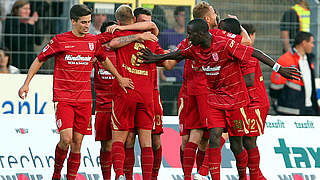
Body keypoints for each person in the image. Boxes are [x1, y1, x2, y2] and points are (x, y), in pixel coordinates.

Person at [139, 18, 300, 179]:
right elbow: (178, 54)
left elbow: (255, 52)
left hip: (235, 102)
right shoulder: (195, 48)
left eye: (190, 34)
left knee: (237, 145)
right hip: (214, 100)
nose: (188, 37)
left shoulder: (224, 44)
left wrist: (280, 69)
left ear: (201, 34)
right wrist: (154, 58)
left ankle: (243, 176)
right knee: (214, 137)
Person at [17, 4, 133, 180]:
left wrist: (119, 77)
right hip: (64, 98)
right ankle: (56, 174)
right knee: (66, 139)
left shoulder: (93, 41)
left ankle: (70, 177)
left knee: (77, 143)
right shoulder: (60, 40)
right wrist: (26, 83)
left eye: (89, 22)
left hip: (85, 100)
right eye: (83, 22)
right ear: (73, 21)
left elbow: (104, 60)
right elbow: (39, 59)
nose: (87, 26)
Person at [98, 5, 166, 180]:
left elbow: (112, 44)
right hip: (146, 95)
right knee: (146, 142)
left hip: (126, 91)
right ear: (134, 20)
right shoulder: (150, 37)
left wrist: (125, 31)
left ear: (118, 21)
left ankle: (120, 174)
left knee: (119, 138)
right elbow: (153, 28)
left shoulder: (119, 34)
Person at [270, 31, 320, 116]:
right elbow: (275, 87)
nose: (313, 45)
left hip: (308, 108)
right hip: (290, 110)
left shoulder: (309, 60)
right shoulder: (285, 59)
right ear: (304, 43)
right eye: (311, 43)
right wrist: (279, 105)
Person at [93, 21, 118, 180]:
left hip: (121, 105)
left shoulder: (123, 51)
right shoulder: (96, 52)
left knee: (121, 144)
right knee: (106, 145)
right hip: (103, 105)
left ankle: (121, 175)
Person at [4, 0, 42, 72]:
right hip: (16, 59)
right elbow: (16, 43)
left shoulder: (30, 21)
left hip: (30, 59)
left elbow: (38, 41)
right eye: (25, 9)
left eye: (29, 9)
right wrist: (28, 25)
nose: (28, 11)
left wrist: (36, 24)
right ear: (16, 10)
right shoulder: (10, 20)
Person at [158, 6, 186, 83]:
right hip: (169, 77)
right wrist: (160, 72)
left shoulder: (190, 36)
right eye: (182, 15)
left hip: (186, 78)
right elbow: (159, 53)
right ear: (176, 17)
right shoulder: (166, 34)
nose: (184, 18)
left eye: (185, 16)